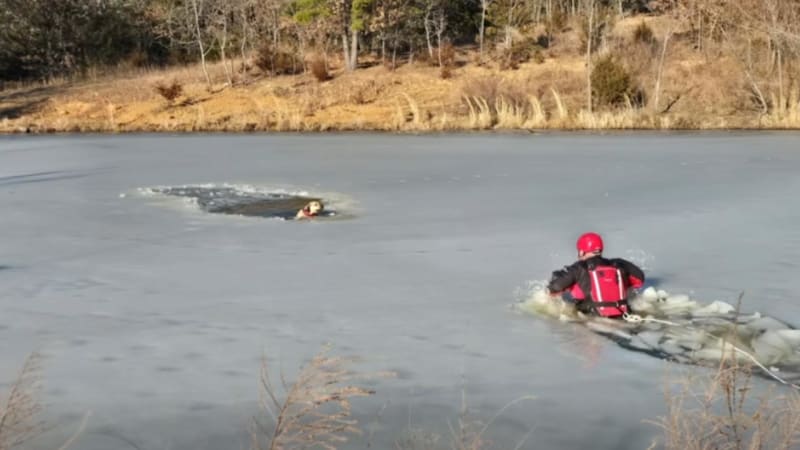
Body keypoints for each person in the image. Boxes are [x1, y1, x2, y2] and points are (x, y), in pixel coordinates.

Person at [547, 232, 645, 318]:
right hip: (623, 314)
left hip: (592, 317)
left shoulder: (579, 267)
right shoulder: (618, 263)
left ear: (581, 252)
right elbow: (640, 279)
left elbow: (555, 287)